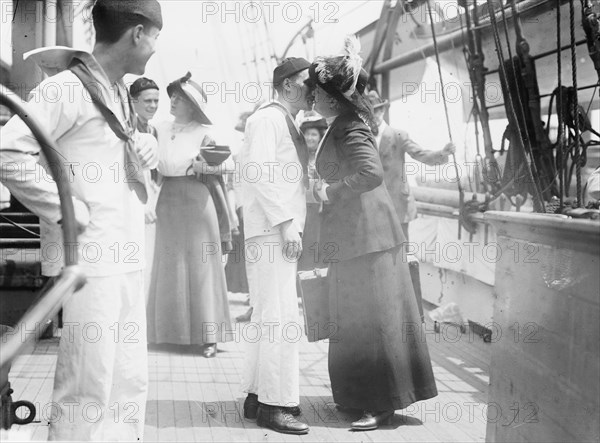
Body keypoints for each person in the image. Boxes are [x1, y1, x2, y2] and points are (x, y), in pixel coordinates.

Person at [0, 1, 162, 440]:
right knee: (87, 386)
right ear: (138, 34)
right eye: (155, 38)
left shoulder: (115, 92)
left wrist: (146, 152)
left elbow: (108, 157)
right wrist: (67, 210)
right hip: (91, 263)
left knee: (128, 381)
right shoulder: (67, 90)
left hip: (127, 255)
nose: (154, 50)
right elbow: (8, 152)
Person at [307, 36, 438, 431]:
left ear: (332, 97)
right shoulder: (341, 123)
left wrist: (330, 190)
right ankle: (358, 395)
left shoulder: (349, 127)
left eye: (316, 90)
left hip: (370, 238)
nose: (311, 95)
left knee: (376, 320)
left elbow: (371, 173)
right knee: (356, 319)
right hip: (357, 238)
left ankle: (381, 404)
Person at [239, 57, 313, 435]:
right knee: (281, 319)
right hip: (272, 230)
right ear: (287, 85)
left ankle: (256, 397)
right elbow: (260, 173)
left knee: (268, 315)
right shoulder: (267, 119)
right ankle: (275, 405)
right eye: (306, 82)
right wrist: (287, 225)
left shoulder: (279, 120)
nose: (313, 89)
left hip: (270, 228)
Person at [146, 72, 232, 359]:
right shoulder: (157, 127)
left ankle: (208, 338)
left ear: (193, 105)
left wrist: (204, 167)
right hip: (167, 198)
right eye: (173, 95)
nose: (173, 100)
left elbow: (227, 165)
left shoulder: (204, 132)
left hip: (197, 200)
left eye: (181, 98)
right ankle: (163, 334)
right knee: (167, 264)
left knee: (202, 266)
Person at [367, 90, 455, 241]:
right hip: (374, 205)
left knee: (402, 251)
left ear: (382, 110)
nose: (372, 116)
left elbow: (420, 154)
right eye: (368, 113)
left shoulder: (398, 135)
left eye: (375, 111)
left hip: (398, 204)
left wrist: (443, 153)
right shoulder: (364, 138)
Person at [130, 77, 161, 300]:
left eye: (156, 101)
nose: (152, 105)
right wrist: (145, 204)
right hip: (135, 198)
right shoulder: (129, 128)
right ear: (133, 101)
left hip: (151, 195)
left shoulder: (153, 129)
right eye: (147, 100)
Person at [298, 112, 327, 271]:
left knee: (318, 244)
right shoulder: (298, 157)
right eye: (307, 134)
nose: (310, 138)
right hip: (301, 208)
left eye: (314, 134)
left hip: (320, 209)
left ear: (319, 136)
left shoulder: (324, 157)